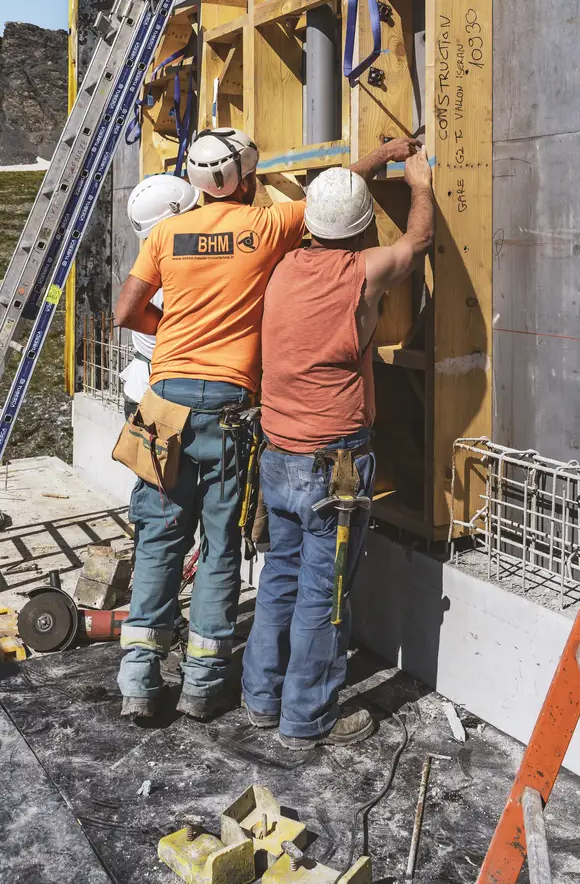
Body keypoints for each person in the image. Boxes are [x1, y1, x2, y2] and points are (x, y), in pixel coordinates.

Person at [113, 127, 418, 720]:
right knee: (221, 545)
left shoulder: (168, 233)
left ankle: (139, 684)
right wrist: (389, 153)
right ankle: (203, 685)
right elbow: (338, 194)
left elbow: (127, 311)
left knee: (158, 540)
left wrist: (175, 333)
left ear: (195, 186)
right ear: (248, 180)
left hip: (162, 405)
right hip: (227, 410)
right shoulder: (265, 225)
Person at [242, 146, 434, 749]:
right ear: (359, 229)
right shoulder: (362, 273)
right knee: (323, 597)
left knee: (280, 577)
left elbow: (329, 210)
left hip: (277, 452)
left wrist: (375, 158)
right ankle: (307, 718)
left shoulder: (279, 265)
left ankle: (261, 697)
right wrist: (420, 183)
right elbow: (419, 243)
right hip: (335, 463)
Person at [118, 174, 200, 421]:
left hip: (145, 391)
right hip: (159, 399)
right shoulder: (172, 274)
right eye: (194, 211)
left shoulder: (149, 266)